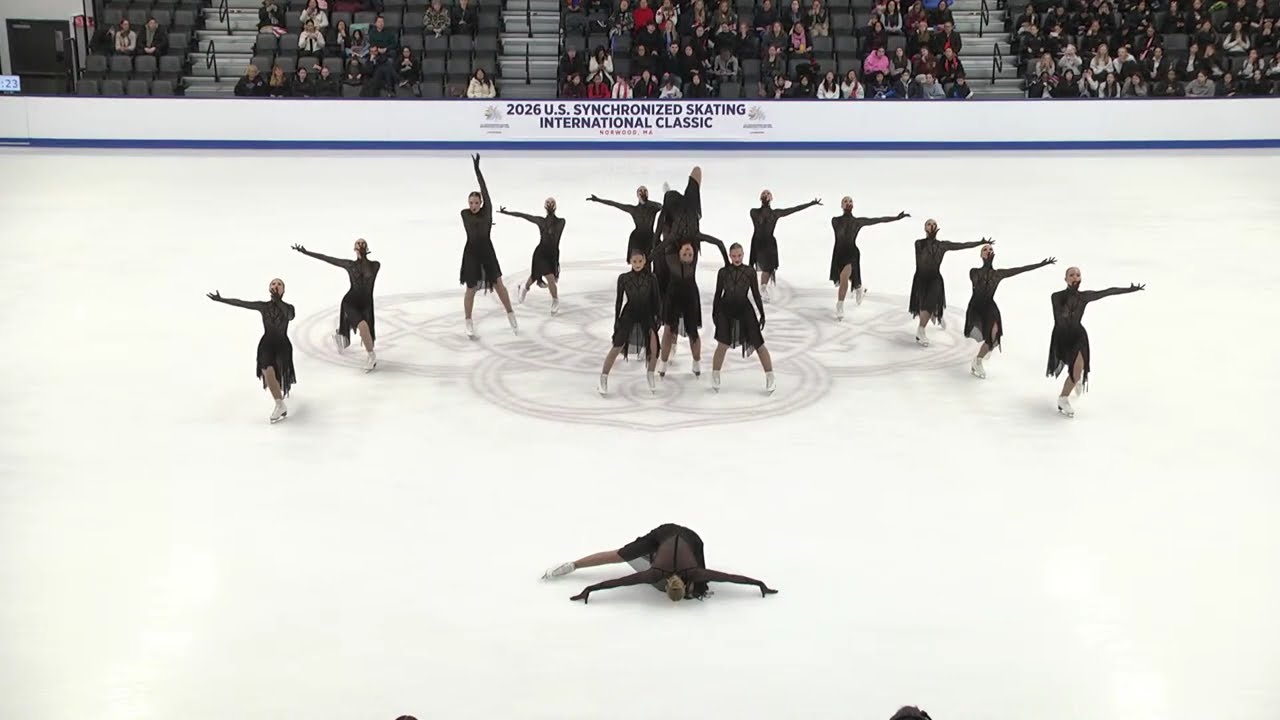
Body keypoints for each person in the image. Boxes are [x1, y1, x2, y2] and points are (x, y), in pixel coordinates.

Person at [541, 523, 778, 603]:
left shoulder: (684, 574)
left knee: (619, 555)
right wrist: (589, 590)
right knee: (620, 554)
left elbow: (617, 582)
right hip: (666, 535)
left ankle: (574, 565)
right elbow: (618, 581)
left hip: (687, 538)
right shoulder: (661, 575)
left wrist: (759, 584)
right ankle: (574, 565)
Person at [1047, 267, 1144, 417]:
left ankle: (1063, 398)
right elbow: (1062, 315)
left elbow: (1107, 291)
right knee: (1072, 366)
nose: (1075, 277)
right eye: (1071, 275)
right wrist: (1072, 294)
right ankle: (1072, 384)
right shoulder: (1056, 296)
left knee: (1078, 368)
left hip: (1078, 335)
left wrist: (1129, 289)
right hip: (1062, 336)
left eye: (1078, 275)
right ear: (1065, 278)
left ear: (1081, 279)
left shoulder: (1084, 297)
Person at [206, 279, 296, 423]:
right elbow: (242, 303)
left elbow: (290, 316)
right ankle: (279, 404)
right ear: (269, 289)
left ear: (283, 290)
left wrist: (279, 301)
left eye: (279, 284)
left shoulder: (289, 307)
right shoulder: (263, 306)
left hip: (282, 344)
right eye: (273, 284)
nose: (276, 286)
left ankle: (279, 397)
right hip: (266, 344)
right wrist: (221, 299)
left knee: (279, 375)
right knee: (267, 370)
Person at [964, 245, 1055, 379]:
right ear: (981, 255)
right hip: (976, 306)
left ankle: (978, 360)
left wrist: (1040, 264)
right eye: (985, 250)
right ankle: (980, 358)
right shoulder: (974, 272)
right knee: (988, 336)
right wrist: (987, 265)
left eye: (991, 250)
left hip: (990, 306)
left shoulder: (998, 274)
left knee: (994, 335)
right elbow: (980, 282)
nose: (989, 251)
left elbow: (1020, 270)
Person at [291, 239, 381, 372]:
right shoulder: (349, 265)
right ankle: (371, 357)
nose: (361, 244)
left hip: (366, 303)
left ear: (367, 247)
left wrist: (362, 256)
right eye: (358, 243)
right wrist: (306, 252)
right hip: (351, 302)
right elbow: (327, 258)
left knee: (367, 332)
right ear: (354, 249)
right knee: (363, 326)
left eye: (363, 243)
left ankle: (340, 335)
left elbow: (366, 268)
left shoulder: (375, 265)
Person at [459, 154, 517, 339]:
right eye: (471, 203)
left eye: (477, 202)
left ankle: (510, 313)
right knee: (470, 289)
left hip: (487, 252)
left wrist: (477, 170)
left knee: (499, 285)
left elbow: (485, 189)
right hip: (471, 254)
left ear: (482, 203)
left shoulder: (488, 212)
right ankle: (468, 321)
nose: (473, 205)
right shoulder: (465, 214)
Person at [909, 219, 987, 346]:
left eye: (934, 224)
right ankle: (935, 313)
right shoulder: (919, 243)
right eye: (929, 224)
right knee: (923, 304)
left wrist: (979, 243)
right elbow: (925, 252)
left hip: (935, 279)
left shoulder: (942, 245)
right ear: (925, 228)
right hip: (921, 279)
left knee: (929, 302)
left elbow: (962, 245)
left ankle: (921, 329)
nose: (932, 226)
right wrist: (931, 239)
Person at [829, 197, 910, 320]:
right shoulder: (835, 220)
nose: (848, 203)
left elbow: (878, 220)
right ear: (841, 205)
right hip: (838, 254)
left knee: (844, 276)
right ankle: (859, 287)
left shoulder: (858, 222)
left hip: (851, 252)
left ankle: (840, 305)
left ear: (853, 205)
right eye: (845, 201)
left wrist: (896, 218)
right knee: (846, 277)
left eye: (850, 201)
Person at [711, 243, 775, 393]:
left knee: (759, 343)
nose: (737, 258)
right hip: (726, 309)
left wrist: (762, 312)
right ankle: (715, 374)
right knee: (722, 344)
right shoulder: (723, 272)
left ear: (743, 254)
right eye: (734, 256)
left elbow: (755, 293)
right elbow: (717, 294)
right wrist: (714, 313)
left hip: (745, 309)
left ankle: (770, 375)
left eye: (739, 255)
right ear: (729, 256)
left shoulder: (749, 272)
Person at [598, 248, 662, 396]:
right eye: (635, 261)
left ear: (645, 261)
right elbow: (619, 301)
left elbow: (657, 299)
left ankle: (650, 373)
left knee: (654, 346)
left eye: (640, 261)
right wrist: (616, 321)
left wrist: (658, 316)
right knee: (618, 345)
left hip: (647, 313)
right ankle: (604, 376)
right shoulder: (624, 278)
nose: (638, 264)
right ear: (630, 262)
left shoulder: (652, 278)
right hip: (630, 313)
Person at [749, 191, 821, 301]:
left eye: (768, 193)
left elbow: (794, 209)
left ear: (771, 198)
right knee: (765, 266)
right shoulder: (754, 212)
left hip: (767, 242)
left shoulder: (774, 213)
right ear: (761, 197)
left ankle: (763, 287)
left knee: (768, 267)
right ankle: (759, 288)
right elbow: (762, 215)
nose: (766, 194)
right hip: (758, 242)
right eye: (764, 193)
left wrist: (810, 203)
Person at [498, 199, 565, 315]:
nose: (550, 208)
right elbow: (523, 216)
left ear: (554, 208)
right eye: (548, 205)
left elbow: (553, 231)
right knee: (547, 277)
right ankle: (555, 300)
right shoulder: (541, 221)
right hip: (541, 253)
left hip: (552, 254)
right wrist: (507, 213)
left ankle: (524, 287)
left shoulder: (561, 222)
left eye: (551, 206)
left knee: (535, 277)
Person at [657, 240, 707, 377]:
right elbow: (662, 244)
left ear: (694, 255)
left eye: (690, 252)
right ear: (677, 253)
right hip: (673, 296)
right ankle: (663, 362)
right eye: (685, 252)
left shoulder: (694, 260)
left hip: (690, 297)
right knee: (668, 330)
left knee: (693, 332)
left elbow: (701, 238)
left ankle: (696, 362)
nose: (687, 253)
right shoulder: (671, 259)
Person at [585, 187, 663, 262]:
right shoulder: (633, 209)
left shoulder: (653, 208)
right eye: (640, 191)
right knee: (637, 260)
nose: (642, 192)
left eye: (645, 190)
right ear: (637, 195)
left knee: (649, 260)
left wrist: (647, 202)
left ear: (647, 194)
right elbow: (615, 204)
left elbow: (662, 206)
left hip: (649, 237)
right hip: (637, 238)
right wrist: (598, 199)